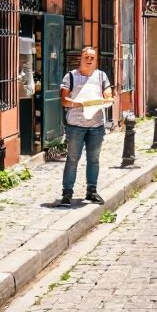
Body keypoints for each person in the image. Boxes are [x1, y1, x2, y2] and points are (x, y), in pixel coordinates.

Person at [59, 47, 116, 206]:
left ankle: (92, 191)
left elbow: (108, 95)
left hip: (96, 125)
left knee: (94, 159)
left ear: (95, 59)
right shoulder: (70, 76)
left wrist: (107, 99)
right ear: (81, 59)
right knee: (72, 159)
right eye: (86, 57)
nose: (89, 60)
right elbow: (64, 100)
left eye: (92, 57)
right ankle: (67, 193)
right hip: (75, 125)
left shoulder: (101, 76)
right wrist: (80, 103)